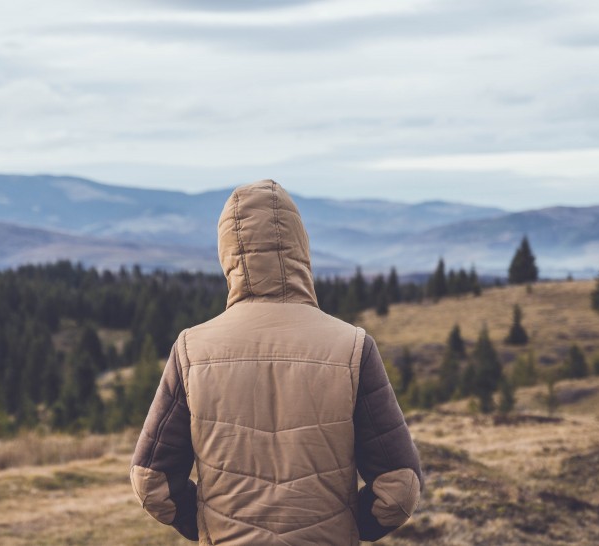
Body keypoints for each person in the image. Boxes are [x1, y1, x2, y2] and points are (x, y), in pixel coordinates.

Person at [130, 180, 423, 545]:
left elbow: (151, 482)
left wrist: (208, 524)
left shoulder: (191, 349)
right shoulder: (352, 347)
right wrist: (345, 526)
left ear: (227, 254)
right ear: (301, 248)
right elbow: (400, 489)